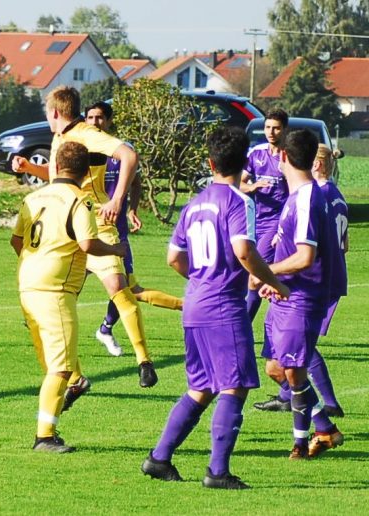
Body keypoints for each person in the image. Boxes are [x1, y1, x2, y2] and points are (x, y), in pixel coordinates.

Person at [141, 126, 289, 489]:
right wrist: (272, 280)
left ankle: (159, 459)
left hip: (195, 305)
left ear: (210, 162)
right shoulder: (240, 202)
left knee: (202, 387)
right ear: (244, 164)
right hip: (223, 306)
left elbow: (173, 257)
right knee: (234, 386)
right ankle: (217, 472)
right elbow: (243, 251)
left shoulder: (194, 204)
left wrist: (202, 277)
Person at [13, 86, 158, 398]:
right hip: (64, 226)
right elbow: (56, 177)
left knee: (117, 287)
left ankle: (144, 361)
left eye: (46, 111)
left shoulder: (86, 133)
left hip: (96, 221)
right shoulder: (59, 138)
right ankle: (76, 379)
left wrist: (117, 199)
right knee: (52, 303)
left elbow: (129, 155)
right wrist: (29, 168)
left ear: (54, 112)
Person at [11, 141, 128, 453]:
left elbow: (16, 240)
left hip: (27, 284)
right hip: (55, 289)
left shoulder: (33, 197)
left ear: (56, 166)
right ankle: (44, 436)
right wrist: (116, 249)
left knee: (56, 362)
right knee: (60, 368)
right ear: (86, 170)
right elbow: (89, 245)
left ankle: (69, 396)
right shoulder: (81, 201)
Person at [253, 130, 343, 459]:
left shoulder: (307, 198)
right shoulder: (295, 197)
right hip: (285, 294)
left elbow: (305, 256)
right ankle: (324, 427)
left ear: (283, 158)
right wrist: (272, 280)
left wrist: (264, 271)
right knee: (276, 368)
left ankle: (303, 443)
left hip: (303, 297)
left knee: (293, 369)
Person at [84, 101, 183, 357]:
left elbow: (136, 183)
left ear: (109, 121)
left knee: (127, 289)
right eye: (90, 118)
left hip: (113, 233)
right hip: (84, 232)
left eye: (100, 118)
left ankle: (106, 328)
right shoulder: (79, 149)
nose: (95, 122)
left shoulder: (121, 151)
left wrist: (132, 209)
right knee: (65, 287)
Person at [242, 109, 289, 322]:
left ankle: (243, 324)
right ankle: (283, 318)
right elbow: (239, 184)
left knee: (256, 274)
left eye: (276, 128)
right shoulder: (256, 154)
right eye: (268, 127)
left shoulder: (289, 157)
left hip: (278, 222)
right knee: (256, 275)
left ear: (284, 130)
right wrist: (253, 187)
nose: (271, 132)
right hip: (255, 221)